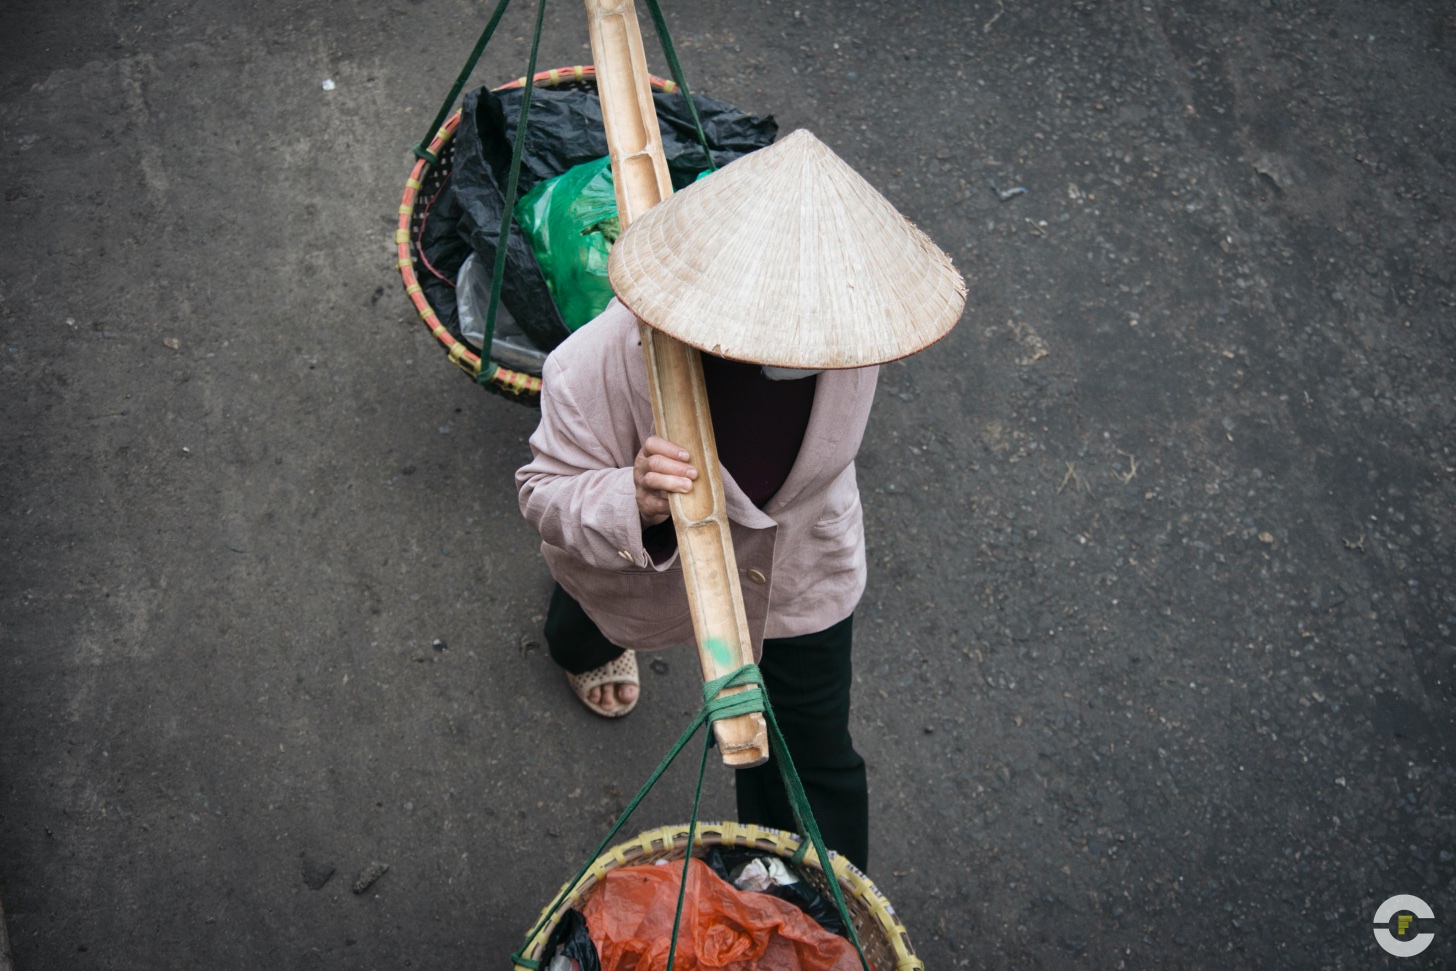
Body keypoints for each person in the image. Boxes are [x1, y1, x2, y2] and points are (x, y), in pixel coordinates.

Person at [516, 130, 965, 873]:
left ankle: (815, 901)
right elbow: (542, 491)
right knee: (592, 616)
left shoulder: (855, 331)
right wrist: (630, 499)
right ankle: (579, 641)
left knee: (811, 752)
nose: (808, 340)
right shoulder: (592, 364)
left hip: (798, 568)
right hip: (645, 567)